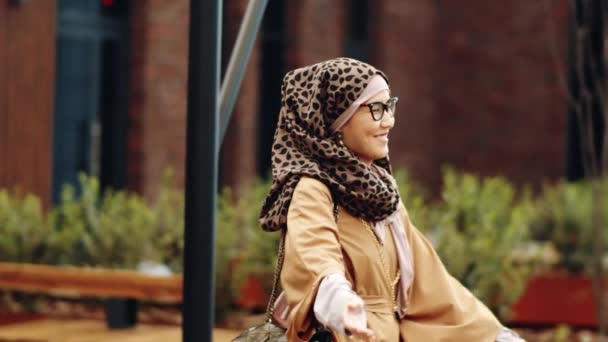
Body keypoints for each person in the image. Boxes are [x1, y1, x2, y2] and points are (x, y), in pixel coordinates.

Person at [259, 57, 525, 342]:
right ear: (336, 117)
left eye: (389, 106)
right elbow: (314, 255)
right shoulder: (313, 188)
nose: (389, 120)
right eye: (376, 108)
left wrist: (496, 336)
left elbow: (434, 288)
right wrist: (340, 305)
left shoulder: (384, 196)